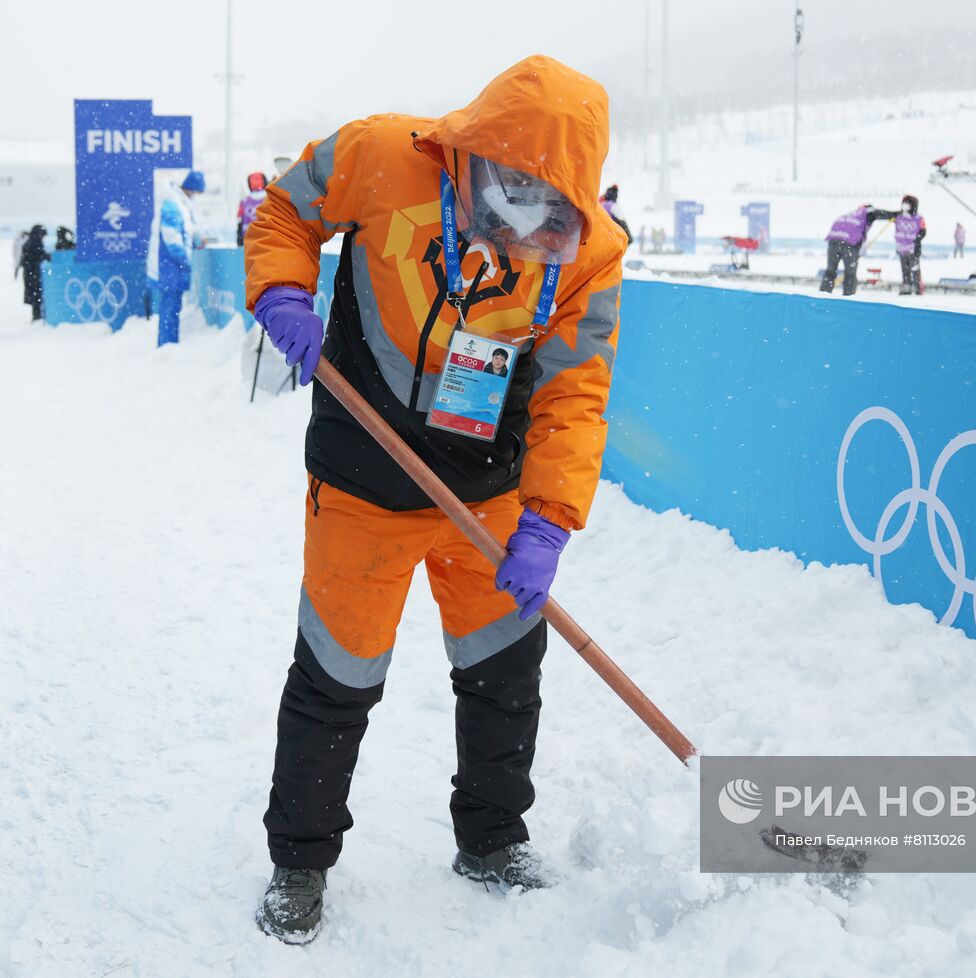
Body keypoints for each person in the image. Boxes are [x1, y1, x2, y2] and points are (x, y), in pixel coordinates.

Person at [243, 55, 626, 944]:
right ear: (475, 154)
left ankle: (492, 840)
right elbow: (285, 210)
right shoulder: (380, 154)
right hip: (362, 481)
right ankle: (300, 860)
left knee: (504, 675)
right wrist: (282, 288)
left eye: (546, 217)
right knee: (336, 680)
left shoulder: (592, 254)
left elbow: (575, 393)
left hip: (488, 497)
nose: (520, 230)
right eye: (506, 201)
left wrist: (548, 520)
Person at [147, 169, 203, 346]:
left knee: (172, 308)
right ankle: (166, 346)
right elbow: (172, 239)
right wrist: (186, 261)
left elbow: (186, 233)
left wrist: (197, 240)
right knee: (169, 308)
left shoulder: (180, 204)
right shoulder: (173, 205)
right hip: (168, 267)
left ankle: (168, 344)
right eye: (197, 192)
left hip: (172, 267)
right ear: (191, 188)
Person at [820, 202, 898, 295]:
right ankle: (848, 298)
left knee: (830, 271)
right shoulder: (867, 212)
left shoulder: (851, 215)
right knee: (850, 274)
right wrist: (894, 215)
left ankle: (823, 295)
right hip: (848, 243)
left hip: (833, 240)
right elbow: (877, 213)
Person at [894, 194, 927, 295]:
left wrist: (916, 240)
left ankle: (917, 288)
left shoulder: (918, 218)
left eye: (907, 204)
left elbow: (923, 231)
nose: (905, 206)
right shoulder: (899, 217)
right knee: (905, 269)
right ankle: (906, 286)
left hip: (913, 249)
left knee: (915, 269)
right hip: (901, 248)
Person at [19, 224, 49, 321]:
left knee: (34, 294)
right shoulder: (34, 243)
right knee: (36, 293)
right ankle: (37, 315)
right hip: (33, 273)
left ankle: (36, 315)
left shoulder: (31, 242)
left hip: (30, 273)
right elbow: (37, 256)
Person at [237, 172, 268, 246]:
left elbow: (239, 221)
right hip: (266, 239)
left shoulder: (244, 200)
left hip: (249, 240)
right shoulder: (269, 199)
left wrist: (239, 241)